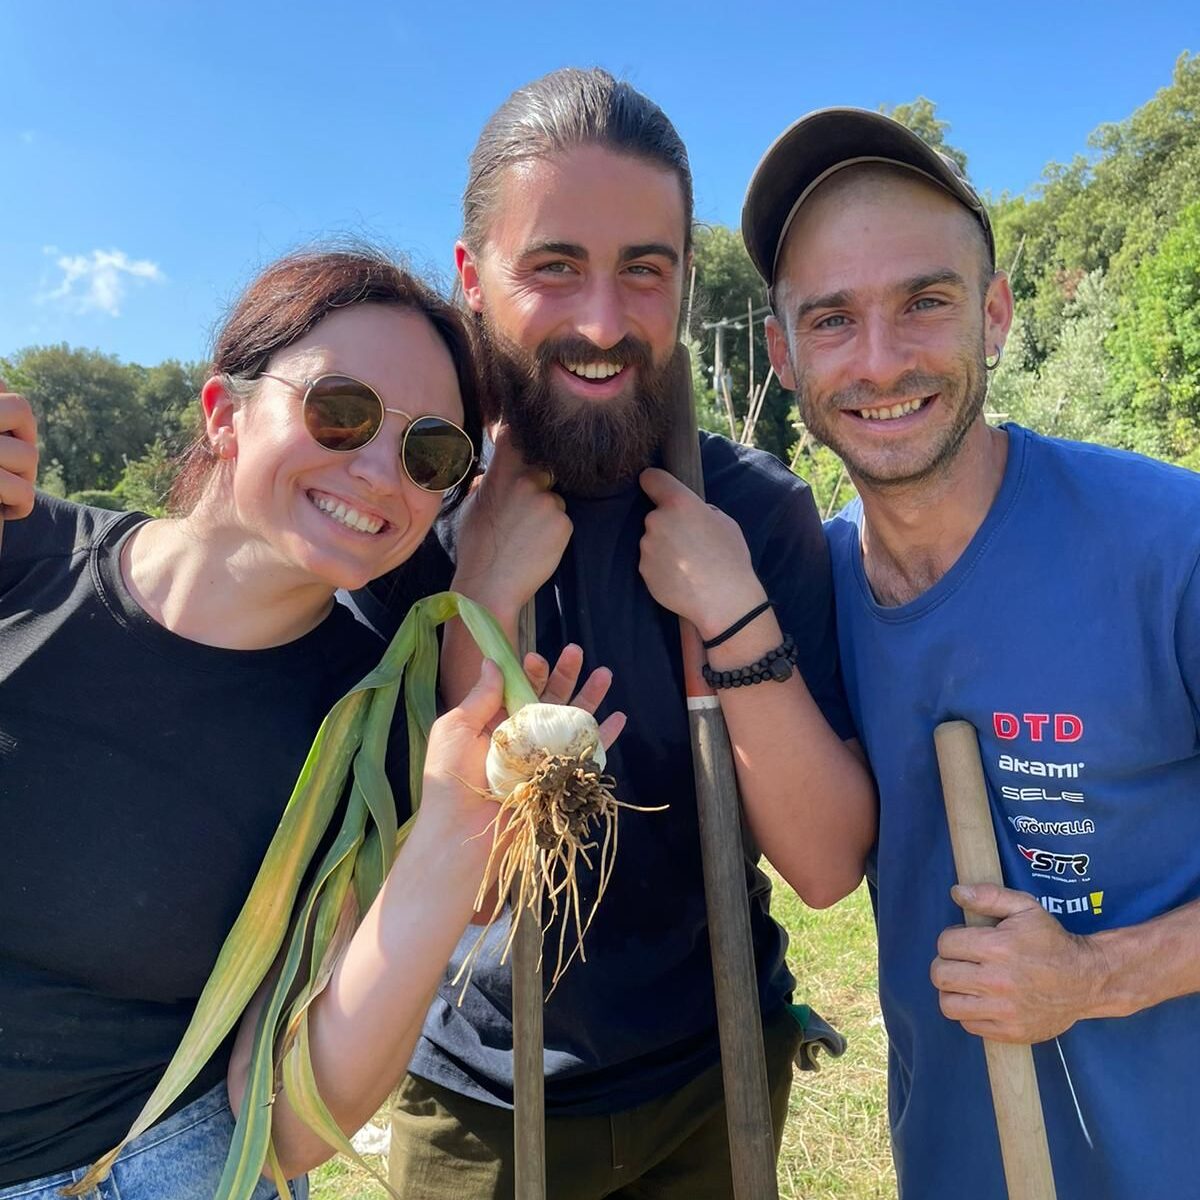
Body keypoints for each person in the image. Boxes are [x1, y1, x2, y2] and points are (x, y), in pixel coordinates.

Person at [351, 69, 877, 1199]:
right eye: (554, 267)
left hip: (718, 1066)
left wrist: (733, 616)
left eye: (646, 270)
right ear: (471, 276)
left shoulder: (753, 509)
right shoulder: (395, 513)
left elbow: (828, 868)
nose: (603, 322)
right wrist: (480, 600)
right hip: (479, 1100)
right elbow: (464, 891)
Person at [0, 246, 615, 1200]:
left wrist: (449, 848)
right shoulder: (17, 552)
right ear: (224, 414)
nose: (379, 470)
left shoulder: (366, 732)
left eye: (431, 453)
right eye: (341, 410)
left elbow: (280, 1129)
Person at [741, 107, 1200, 1198]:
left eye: (925, 302)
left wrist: (1097, 977)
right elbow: (819, 866)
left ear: (994, 313)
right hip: (953, 1164)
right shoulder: (819, 591)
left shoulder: (1167, 545)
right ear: (783, 351)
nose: (882, 359)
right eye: (834, 318)